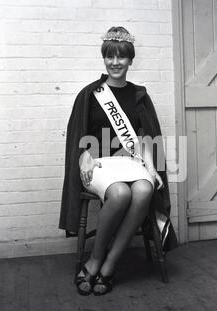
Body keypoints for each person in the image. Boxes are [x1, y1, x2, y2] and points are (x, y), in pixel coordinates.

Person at [59, 26, 178, 296]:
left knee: (145, 189)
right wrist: (84, 158)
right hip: (98, 164)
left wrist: (150, 167)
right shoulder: (91, 94)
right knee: (121, 193)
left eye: (121, 57)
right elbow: (80, 135)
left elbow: (144, 138)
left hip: (130, 162)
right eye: (110, 57)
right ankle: (95, 260)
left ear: (130, 60)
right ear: (104, 59)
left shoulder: (139, 95)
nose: (115, 63)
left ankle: (110, 264)